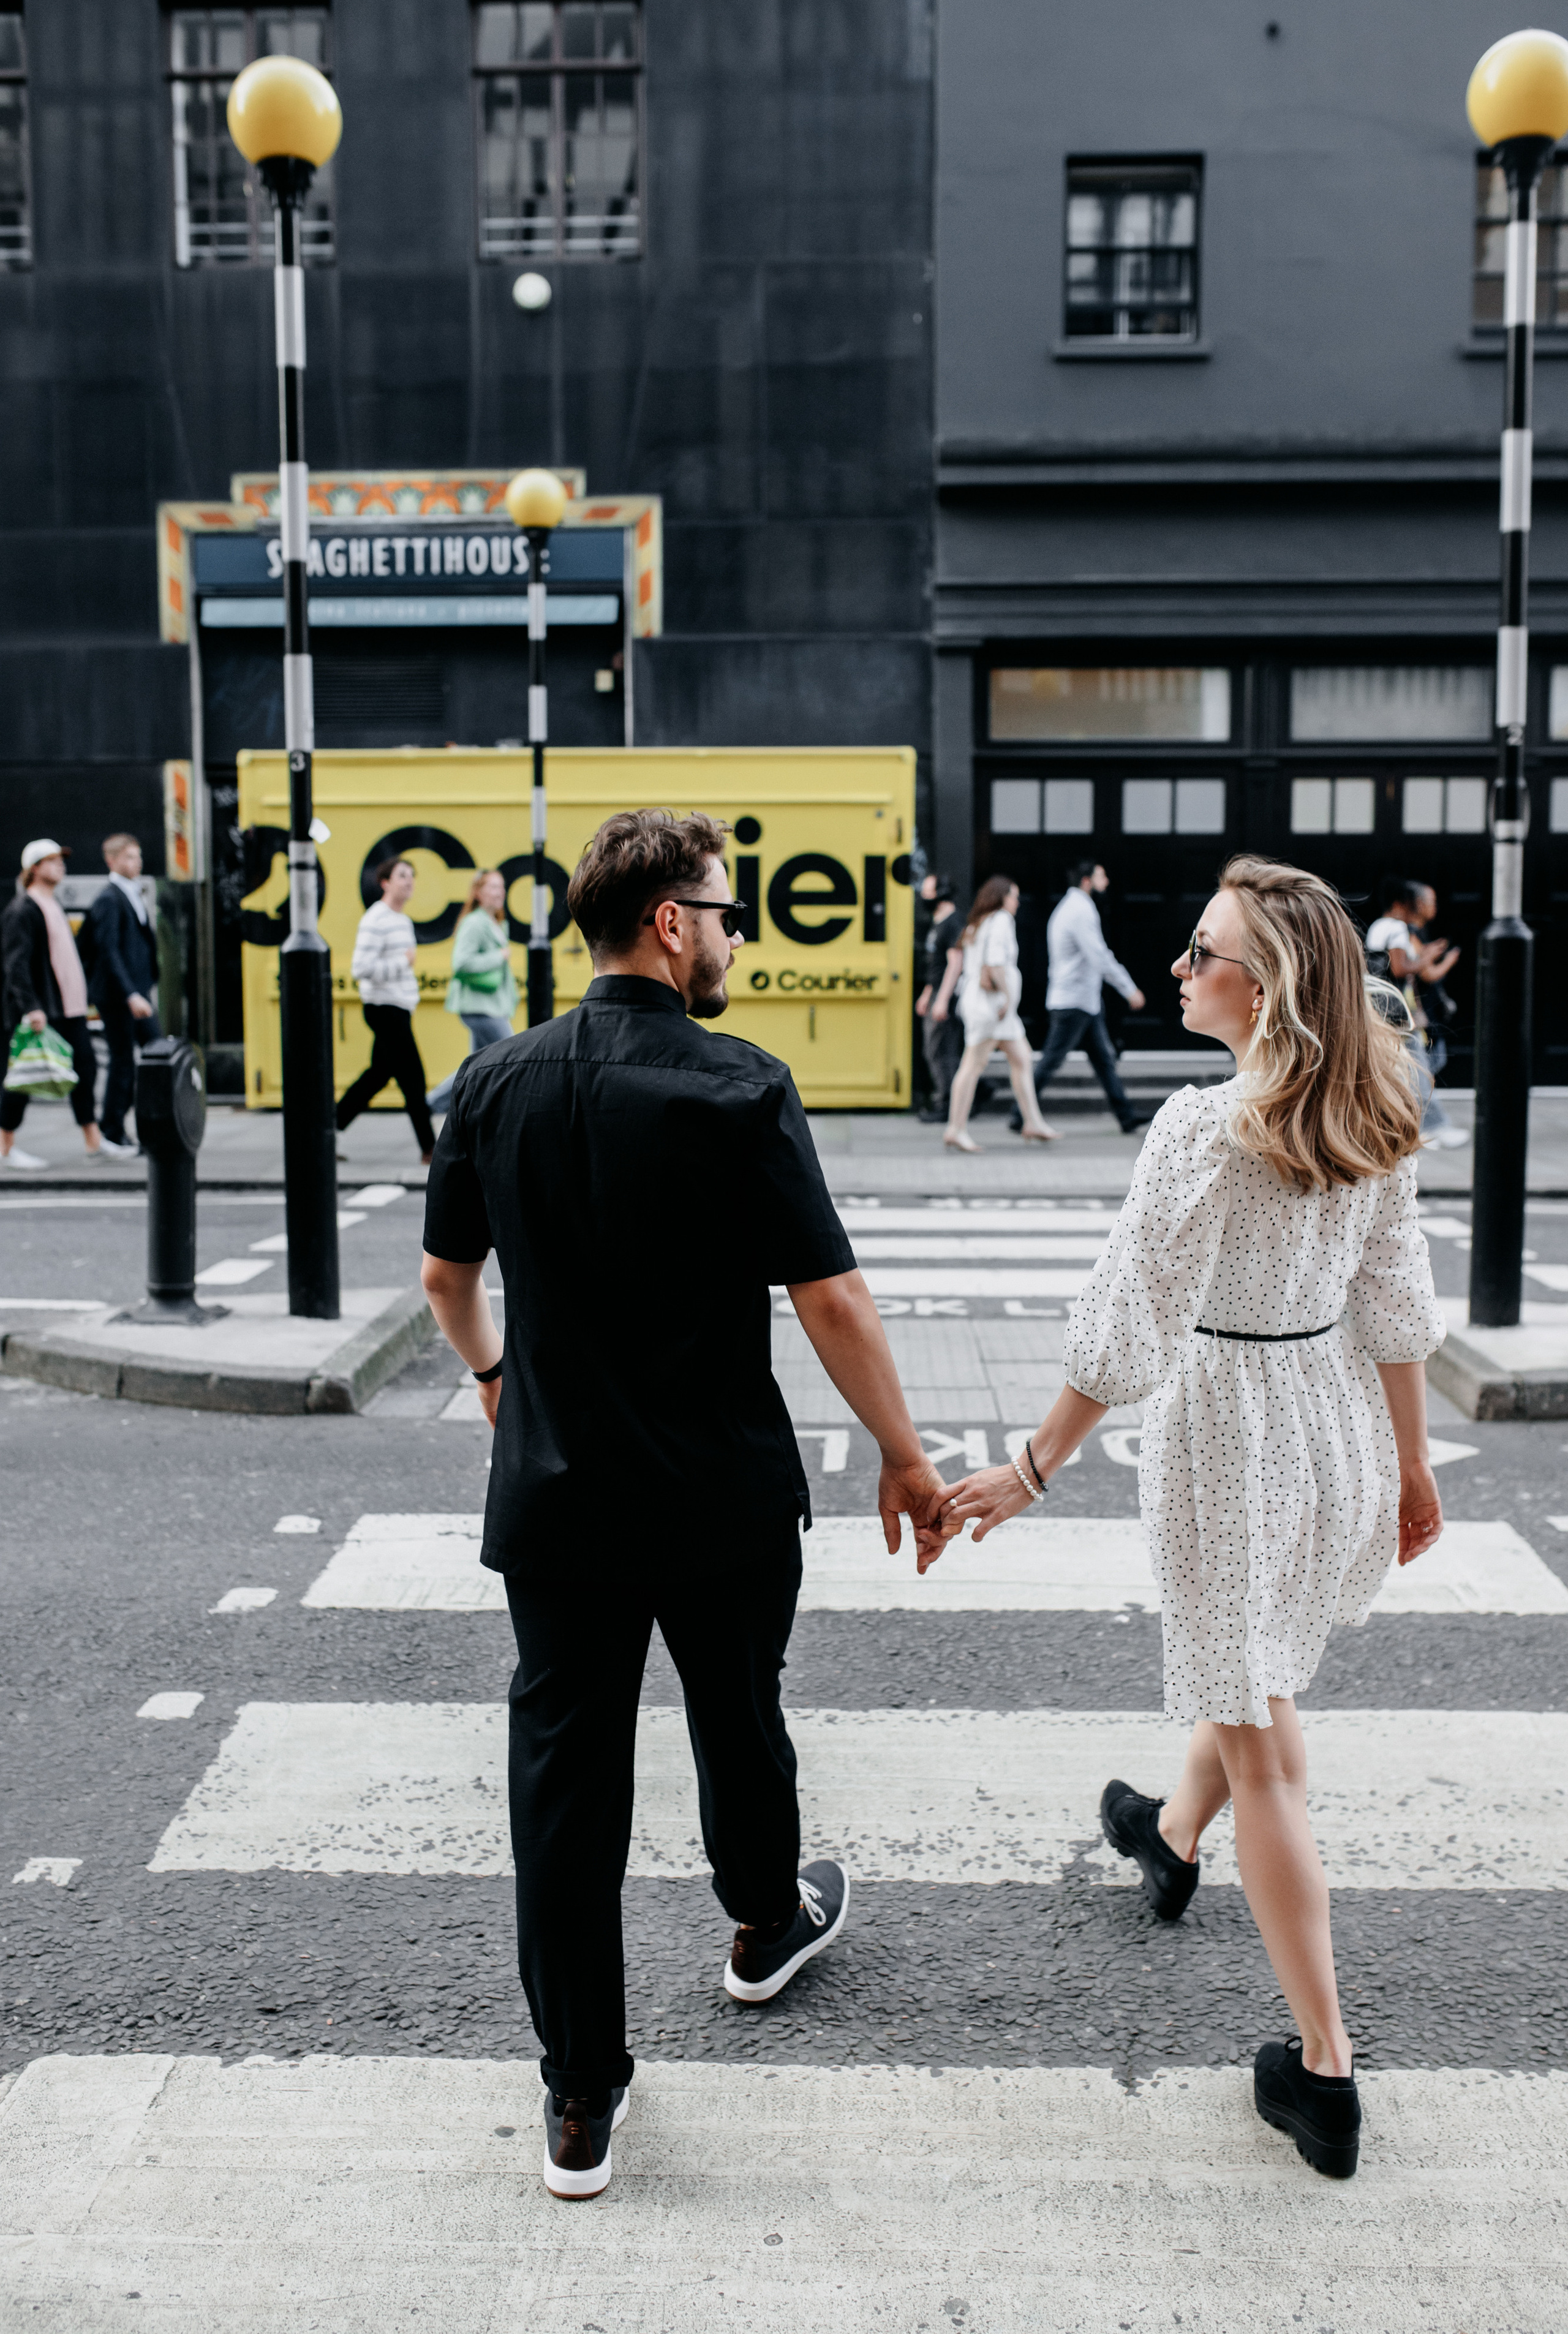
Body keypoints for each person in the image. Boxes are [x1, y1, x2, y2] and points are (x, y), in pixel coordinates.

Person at [420, 807, 951, 2203]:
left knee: (564, 1785)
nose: (732, 938)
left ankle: (578, 2094)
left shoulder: (493, 1081)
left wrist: (490, 1375)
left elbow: (444, 1279)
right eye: (725, 915)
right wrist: (901, 1452)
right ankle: (762, 1925)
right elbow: (826, 1294)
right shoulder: (738, 1084)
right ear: (669, 921)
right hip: (717, 1487)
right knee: (735, 1706)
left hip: (555, 1495)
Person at [939, 856, 1444, 2184]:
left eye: (1203, 953)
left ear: (1264, 990)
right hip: (1329, 1424)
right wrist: (1408, 1465)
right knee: (1253, 1679)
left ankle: (1322, 2070)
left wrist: (1033, 1470)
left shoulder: (1202, 1130)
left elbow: (1127, 1321)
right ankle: (1164, 1842)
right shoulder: (1371, 1106)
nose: (1177, 969)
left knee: (1265, 1742)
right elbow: (1395, 1305)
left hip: (1228, 1435)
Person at [1009, 860, 1147, 1137]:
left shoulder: (1071, 908)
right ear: (1086, 882)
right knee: (1050, 1061)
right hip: (1073, 1002)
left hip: (1082, 1001)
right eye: (1101, 877)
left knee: (1104, 1061)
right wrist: (1129, 989)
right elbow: (1098, 956)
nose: (1106, 883)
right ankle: (1018, 1113)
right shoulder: (1080, 911)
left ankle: (1126, 1116)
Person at [1, 838, 108, 1171]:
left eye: (61, 860)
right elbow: (15, 964)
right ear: (34, 868)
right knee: (23, 1076)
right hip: (44, 1009)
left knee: (85, 1070)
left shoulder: (52, 904)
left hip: (69, 1007)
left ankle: (93, 1140)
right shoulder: (23, 909)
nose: (61, 865)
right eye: (52, 861)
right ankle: (5, 1147)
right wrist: (31, 1007)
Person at [943, 876, 1057, 1152]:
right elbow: (995, 963)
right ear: (1002, 897)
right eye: (1014, 896)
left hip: (989, 1007)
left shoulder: (980, 921)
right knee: (972, 1066)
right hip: (992, 1008)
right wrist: (1007, 996)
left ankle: (1032, 1121)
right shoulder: (1002, 920)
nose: (1017, 902)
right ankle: (956, 1129)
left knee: (1022, 1057)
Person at [335, 856, 435, 1162]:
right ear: (385, 883)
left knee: (378, 1075)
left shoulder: (402, 921)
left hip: (399, 1008)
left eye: (412, 876)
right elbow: (361, 969)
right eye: (402, 875)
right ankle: (431, 1148)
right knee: (414, 1079)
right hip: (383, 1008)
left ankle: (325, 1131)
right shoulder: (375, 919)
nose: (409, 881)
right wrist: (401, 964)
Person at [1366, 879, 1466, 1151]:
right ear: (1405, 904)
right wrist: (1428, 957)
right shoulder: (1397, 929)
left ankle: (1413, 1128)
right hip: (1397, 1013)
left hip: (1382, 1009)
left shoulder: (1378, 926)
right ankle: (1433, 1128)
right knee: (1419, 1071)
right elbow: (1400, 969)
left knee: (1408, 1070)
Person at [86, 834, 160, 1154]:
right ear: (112, 861)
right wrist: (131, 994)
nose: (137, 862)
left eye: (138, 856)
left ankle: (149, 1125)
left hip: (137, 993)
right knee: (123, 1062)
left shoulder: (130, 893)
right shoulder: (109, 898)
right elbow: (108, 952)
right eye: (129, 857)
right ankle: (113, 1131)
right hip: (120, 997)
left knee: (157, 1053)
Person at [428, 868, 518, 1118]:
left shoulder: (495, 923)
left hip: (490, 1005)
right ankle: (435, 1103)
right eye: (493, 887)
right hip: (480, 1007)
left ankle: (461, 1109)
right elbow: (461, 963)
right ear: (478, 893)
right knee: (511, 1056)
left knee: (476, 1065)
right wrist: (497, 957)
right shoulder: (475, 923)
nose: (500, 892)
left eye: (501, 887)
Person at [914, 872, 964, 1121]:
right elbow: (935, 965)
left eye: (928, 891)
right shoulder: (938, 922)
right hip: (935, 994)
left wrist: (942, 998)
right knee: (933, 1050)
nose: (923, 896)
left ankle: (946, 1105)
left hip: (945, 997)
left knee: (941, 1051)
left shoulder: (953, 923)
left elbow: (955, 964)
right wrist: (927, 994)